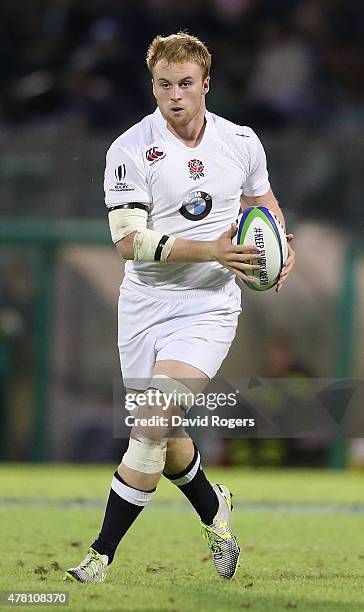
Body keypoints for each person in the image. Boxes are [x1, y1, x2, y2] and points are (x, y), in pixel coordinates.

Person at [64, 32, 295, 583]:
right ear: (153, 85)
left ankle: (100, 557)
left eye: (185, 84)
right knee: (163, 435)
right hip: (143, 303)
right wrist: (213, 245)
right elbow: (129, 242)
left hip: (208, 305)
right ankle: (215, 509)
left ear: (205, 85)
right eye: (164, 84)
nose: (174, 95)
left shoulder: (240, 141)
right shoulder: (129, 147)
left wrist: (279, 249)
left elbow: (262, 201)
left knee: (149, 423)